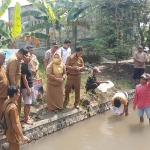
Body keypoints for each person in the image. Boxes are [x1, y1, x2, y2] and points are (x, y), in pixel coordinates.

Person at [3, 85, 30, 150]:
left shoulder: (6, 101)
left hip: (8, 131)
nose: (19, 94)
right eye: (18, 93)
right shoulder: (13, 108)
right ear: (15, 94)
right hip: (13, 133)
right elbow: (14, 124)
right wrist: (22, 136)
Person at [6, 48, 28, 115]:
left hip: (17, 85)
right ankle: (15, 119)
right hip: (15, 87)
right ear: (20, 53)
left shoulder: (17, 58)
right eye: (23, 56)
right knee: (15, 104)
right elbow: (12, 75)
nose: (23, 58)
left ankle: (17, 118)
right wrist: (15, 89)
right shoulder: (14, 60)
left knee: (17, 104)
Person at [21, 53, 35, 124]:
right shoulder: (23, 66)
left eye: (30, 57)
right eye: (28, 57)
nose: (29, 58)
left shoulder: (28, 65)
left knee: (29, 103)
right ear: (24, 58)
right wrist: (28, 88)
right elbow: (24, 78)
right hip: (26, 87)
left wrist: (32, 67)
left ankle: (27, 116)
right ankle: (26, 119)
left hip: (30, 85)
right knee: (27, 103)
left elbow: (33, 73)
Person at [0, 51, 9, 134]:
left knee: (3, 111)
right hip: (0, 95)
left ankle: (3, 126)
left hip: (5, 93)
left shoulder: (2, 66)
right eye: (3, 59)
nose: (4, 60)